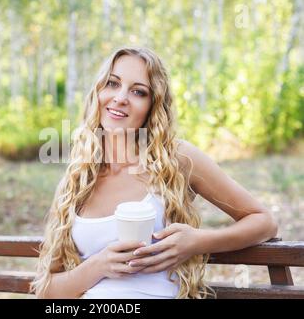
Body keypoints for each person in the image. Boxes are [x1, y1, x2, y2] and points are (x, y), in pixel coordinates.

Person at [30, 47, 278, 299]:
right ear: (98, 91)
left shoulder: (177, 159)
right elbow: (46, 291)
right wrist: (98, 265)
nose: (120, 97)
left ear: (153, 104)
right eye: (112, 83)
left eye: (138, 91)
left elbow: (264, 221)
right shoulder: (78, 178)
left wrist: (197, 242)